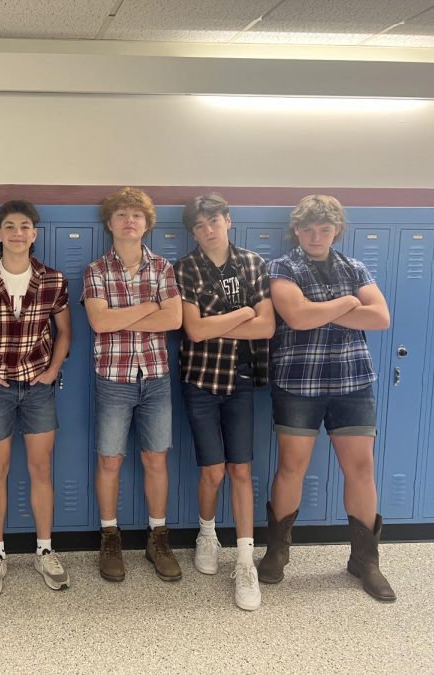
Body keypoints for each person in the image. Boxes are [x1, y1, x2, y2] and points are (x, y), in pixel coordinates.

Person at [260, 194, 395, 602]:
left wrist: (318, 308)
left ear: (337, 229)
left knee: (361, 469)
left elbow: (381, 318)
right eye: (308, 228)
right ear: (296, 230)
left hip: (352, 381)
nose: (316, 235)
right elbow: (296, 317)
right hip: (298, 382)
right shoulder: (282, 266)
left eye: (324, 228)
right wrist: (349, 302)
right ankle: (278, 551)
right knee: (291, 468)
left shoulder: (355, 266)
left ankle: (365, 560)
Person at [0, 199, 72, 597]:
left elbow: (64, 333)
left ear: (34, 234)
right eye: (9, 225)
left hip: (39, 390)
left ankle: (45, 549)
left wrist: (53, 370)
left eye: (25, 226)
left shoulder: (53, 279)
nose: (17, 232)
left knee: (41, 470)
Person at [174, 193, 275, 611]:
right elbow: (194, 332)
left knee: (241, 469)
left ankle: (246, 560)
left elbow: (267, 326)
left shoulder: (253, 263)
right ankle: (207, 533)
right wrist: (242, 315)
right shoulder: (185, 269)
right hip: (200, 379)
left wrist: (224, 323)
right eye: (199, 225)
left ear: (228, 221)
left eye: (213, 220)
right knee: (212, 471)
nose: (207, 229)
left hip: (241, 378)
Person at [82, 187, 183, 583]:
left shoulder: (163, 267)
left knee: (155, 458)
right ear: (110, 223)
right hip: (113, 378)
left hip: (155, 377)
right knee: (110, 459)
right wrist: (149, 308)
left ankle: (158, 537)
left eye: (136, 216)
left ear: (146, 224)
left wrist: (121, 316)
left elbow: (173, 320)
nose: (129, 220)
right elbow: (99, 323)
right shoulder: (95, 270)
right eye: (122, 214)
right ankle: (110, 537)